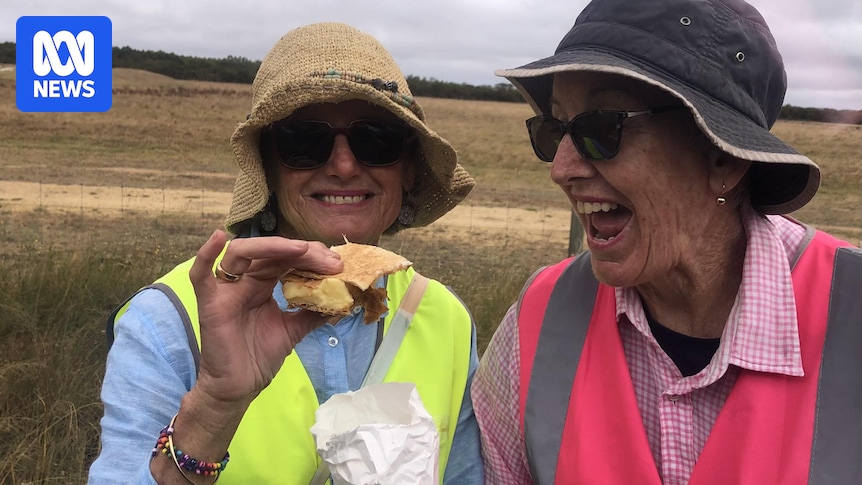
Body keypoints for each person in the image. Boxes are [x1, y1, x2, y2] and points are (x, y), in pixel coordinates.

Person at [472, 0, 862, 483]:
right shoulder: (539, 318)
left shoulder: (851, 314)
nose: (561, 169)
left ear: (724, 159)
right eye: (554, 130)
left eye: (603, 128)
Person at [88, 22, 483, 485]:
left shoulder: (449, 322)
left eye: (377, 140)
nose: (343, 166)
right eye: (303, 142)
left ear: (409, 169)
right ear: (268, 169)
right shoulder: (168, 320)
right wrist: (214, 407)